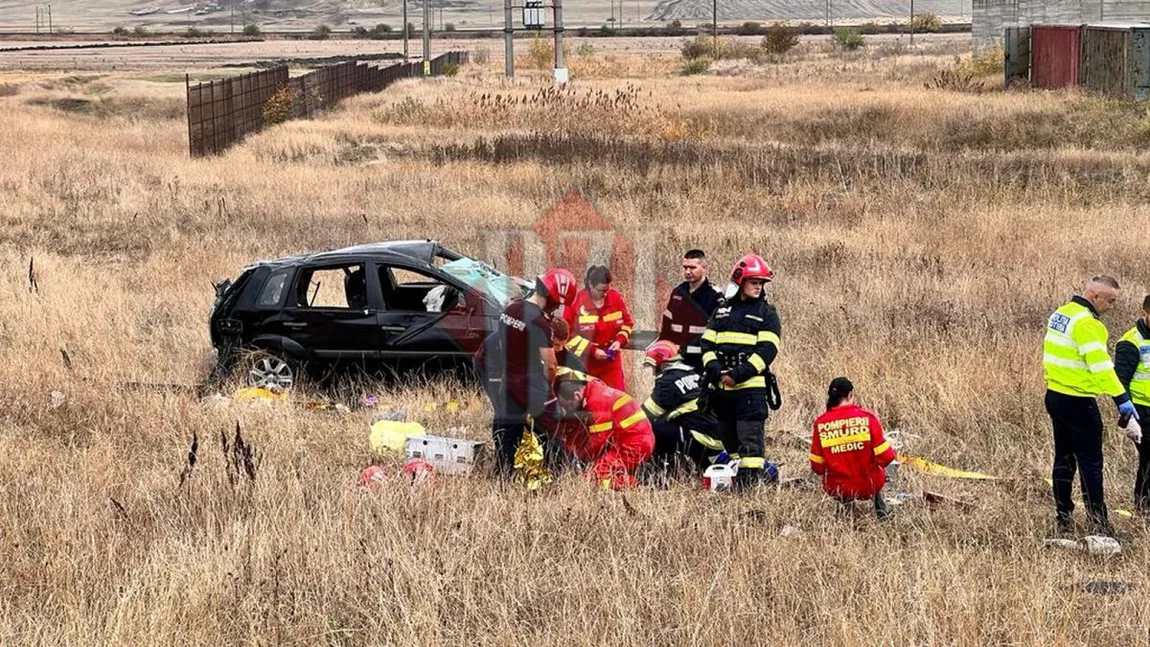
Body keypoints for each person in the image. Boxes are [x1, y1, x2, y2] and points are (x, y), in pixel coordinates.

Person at [1043, 275, 1139, 534]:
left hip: (1055, 395)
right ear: (1095, 296)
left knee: (1063, 457)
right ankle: (1099, 524)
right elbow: (1101, 367)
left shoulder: (1062, 314)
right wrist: (1122, 399)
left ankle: (1063, 517)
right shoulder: (1089, 324)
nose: (1111, 306)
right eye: (1110, 301)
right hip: (1078, 401)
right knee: (1091, 462)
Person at [475, 267, 577, 479]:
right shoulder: (540, 323)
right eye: (558, 302)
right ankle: (561, 478)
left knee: (507, 434)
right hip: (531, 384)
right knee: (553, 433)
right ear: (552, 297)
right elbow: (550, 364)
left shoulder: (510, 311)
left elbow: (503, 344)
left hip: (508, 382)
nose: (557, 307)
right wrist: (548, 386)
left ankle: (504, 478)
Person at [699, 254, 781, 491]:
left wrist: (737, 374)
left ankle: (748, 488)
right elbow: (707, 345)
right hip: (721, 390)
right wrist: (716, 372)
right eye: (754, 281)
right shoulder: (721, 312)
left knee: (750, 444)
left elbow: (767, 351)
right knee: (728, 440)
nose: (758, 287)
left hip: (749, 391)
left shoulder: (767, 314)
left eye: (761, 283)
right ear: (740, 281)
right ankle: (734, 480)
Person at [552, 367, 655, 490]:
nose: (568, 409)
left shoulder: (598, 404)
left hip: (634, 445)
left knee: (594, 478)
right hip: (630, 439)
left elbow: (597, 442)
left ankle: (639, 483)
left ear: (577, 395)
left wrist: (578, 460)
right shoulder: (592, 390)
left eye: (568, 405)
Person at [809, 378, 897, 519]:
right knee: (875, 471)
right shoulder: (868, 418)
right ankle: (881, 511)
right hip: (869, 485)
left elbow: (817, 467)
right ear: (850, 395)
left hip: (837, 487)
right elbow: (887, 458)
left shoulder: (821, 423)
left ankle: (844, 513)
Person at [640, 340, 724, 472]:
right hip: (718, 438)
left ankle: (658, 465)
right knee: (671, 423)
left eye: (654, 366)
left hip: (702, 440)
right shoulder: (692, 374)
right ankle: (701, 466)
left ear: (661, 364)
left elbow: (646, 414)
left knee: (655, 427)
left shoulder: (667, 381)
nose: (653, 372)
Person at [562, 265, 634, 391]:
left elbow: (627, 324)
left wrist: (619, 340)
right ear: (590, 285)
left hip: (611, 363)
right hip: (584, 364)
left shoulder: (615, 298)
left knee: (617, 398)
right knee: (589, 400)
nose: (605, 294)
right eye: (601, 290)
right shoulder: (576, 302)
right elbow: (566, 334)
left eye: (607, 289)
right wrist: (592, 350)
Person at [658, 249, 723, 373]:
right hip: (676, 358)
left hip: (702, 359)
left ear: (704, 268)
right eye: (685, 268)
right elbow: (667, 323)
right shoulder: (678, 292)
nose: (688, 272)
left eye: (692, 268)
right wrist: (663, 348)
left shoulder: (714, 295)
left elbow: (719, 329)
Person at [1114, 293, 1150, 513]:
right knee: (1148, 461)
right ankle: (1144, 509)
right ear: (1143, 313)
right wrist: (1128, 417)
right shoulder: (1131, 342)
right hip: (1142, 411)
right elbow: (1120, 383)